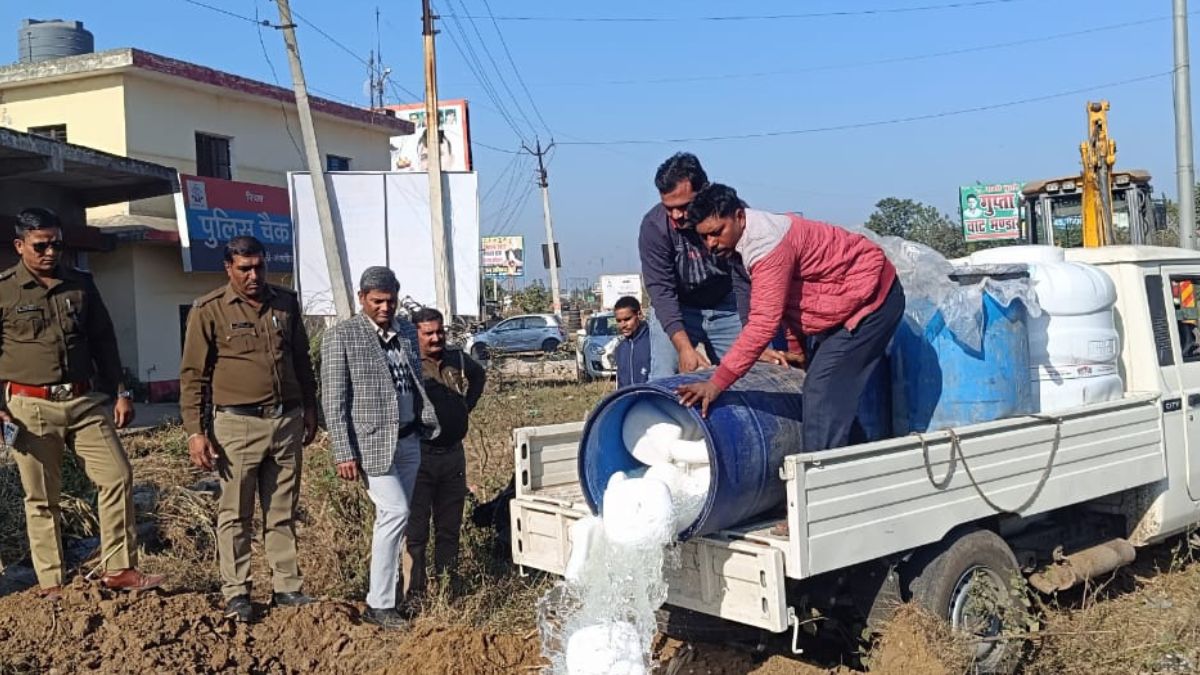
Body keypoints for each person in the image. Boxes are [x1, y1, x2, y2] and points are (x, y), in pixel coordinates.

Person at [0, 207, 163, 599]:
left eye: (56, 244)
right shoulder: (3, 290)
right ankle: (52, 583)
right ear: (20, 245)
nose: (50, 252)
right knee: (42, 498)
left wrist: (121, 392)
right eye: (41, 245)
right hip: (30, 407)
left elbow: (104, 341)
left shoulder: (81, 283)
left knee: (117, 476)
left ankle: (119, 569)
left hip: (84, 401)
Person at [676, 184, 904, 455]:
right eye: (704, 237)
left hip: (872, 300)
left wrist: (716, 383)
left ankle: (819, 474)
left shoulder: (766, 245)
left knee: (821, 389)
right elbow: (792, 302)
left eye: (717, 232)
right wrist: (797, 352)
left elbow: (763, 323)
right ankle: (848, 464)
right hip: (842, 304)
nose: (711, 243)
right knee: (826, 393)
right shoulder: (739, 248)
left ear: (739, 216)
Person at [179, 235, 318, 622]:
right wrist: (195, 431)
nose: (254, 275)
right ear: (229, 268)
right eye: (245, 269)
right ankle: (237, 591)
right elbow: (193, 376)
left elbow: (302, 360)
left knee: (282, 509)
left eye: (259, 267)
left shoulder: (286, 303)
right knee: (236, 513)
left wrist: (310, 407)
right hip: (237, 425)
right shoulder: (209, 309)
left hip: (286, 421)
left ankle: (287, 587)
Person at [321, 267, 440, 630]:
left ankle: (391, 595)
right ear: (362, 298)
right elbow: (334, 400)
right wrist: (343, 451)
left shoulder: (405, 331)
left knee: (396, 519)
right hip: (371, 443)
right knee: (394, 512)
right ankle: (380, 604)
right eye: (377, 301)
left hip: (408, 439)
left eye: (390, 300)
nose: (385, 307)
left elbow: (415, 381)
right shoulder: (342, 336)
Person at [638, 153, 751, 378]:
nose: (676, 215)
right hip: (679, 308)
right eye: (669, 208)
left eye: (684, 206)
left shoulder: (731, 215)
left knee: (750, 372)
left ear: (704, 191)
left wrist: (751, 335)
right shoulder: (654, 227)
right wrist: (684, 348)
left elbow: (746, 278)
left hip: (728, 305)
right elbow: (661, 291)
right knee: (664, 376)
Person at [403, 307, 486, 605]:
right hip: (420, 456)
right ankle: (413, 596)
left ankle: (448, 593)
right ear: (416, 334)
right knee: (415, 532)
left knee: (449, 528)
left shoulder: (457, 359)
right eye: (428, 333)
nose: (436, 338)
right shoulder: (408, 363)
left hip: (453, 456)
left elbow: (479, 376)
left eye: (440, 331)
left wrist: (465, 407)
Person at [613, 296, 651, 387]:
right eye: (619, 321)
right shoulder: (620, 348)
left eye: (627, 319)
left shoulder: (654, 342)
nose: (622, 325)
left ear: (639, 315)